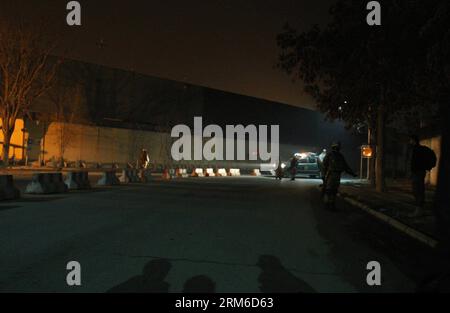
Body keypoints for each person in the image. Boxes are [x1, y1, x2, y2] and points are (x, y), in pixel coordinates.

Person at [322, 142, 357, 210]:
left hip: (336, 175)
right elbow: (324, 165)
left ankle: (331, 204)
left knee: (333, 190)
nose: (337, 149)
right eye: (337, 147)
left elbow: (345, 166)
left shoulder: (339, 156)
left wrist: (352, 174)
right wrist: (323, 175)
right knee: (329, 190)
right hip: (331, 175)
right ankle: (327, 204)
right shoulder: (330, 155)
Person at [408, 135, 437, 217]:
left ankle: (419, 209)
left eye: (410, 140)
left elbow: (432, 155)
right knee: (416, 189)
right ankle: (419, 209)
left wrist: (428, 166)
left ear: (414, 141)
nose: (409, 142)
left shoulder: (420, 149)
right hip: (416, 172)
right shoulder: (415, 149)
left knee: (418, 190)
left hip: (419, 172)